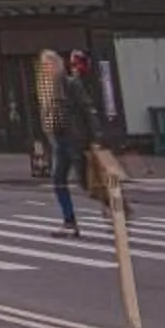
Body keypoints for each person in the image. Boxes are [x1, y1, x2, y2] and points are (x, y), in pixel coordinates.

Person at [49, 51, 103, 239]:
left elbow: (87, 110)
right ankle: (69, 221)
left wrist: (96, 139)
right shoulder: (52, 88)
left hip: (76, 140)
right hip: (61, 140)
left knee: (86, 182)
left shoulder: (71, 84)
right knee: (58, 180)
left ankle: (115, 208)